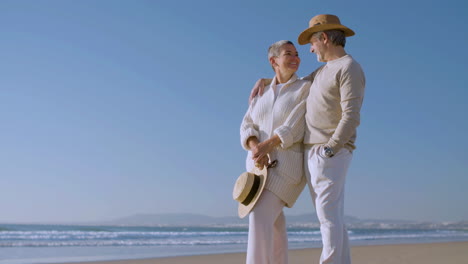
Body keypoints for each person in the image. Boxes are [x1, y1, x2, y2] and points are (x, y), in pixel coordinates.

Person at [249, 14, 366, 264]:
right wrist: (267, 80)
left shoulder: (349, 67)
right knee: (331, 215)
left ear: (323, 38)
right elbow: (294, 82)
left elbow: (352, 115)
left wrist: (330, 149)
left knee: (327, 216)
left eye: (312, 43)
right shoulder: (323, 71)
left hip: (328, 151)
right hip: (313, 152)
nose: (310, 49)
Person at [240, 40, 311, 264]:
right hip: (257, 172)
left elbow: (294, 126)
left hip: (285, 170)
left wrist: (267, 145)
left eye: (297, 54)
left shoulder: (305, 88)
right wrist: (255, 147)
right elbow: (247, 124)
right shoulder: (261, 93)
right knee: (275, 230)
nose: (295, 58)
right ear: (274, 61)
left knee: (259, 220)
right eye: (288, 54)